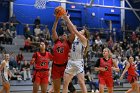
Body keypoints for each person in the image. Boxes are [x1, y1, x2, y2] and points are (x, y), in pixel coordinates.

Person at [61, 14, 90, 93]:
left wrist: (67, 19)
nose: (80, 31)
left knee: (81, 82)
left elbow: (74, 30)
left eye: (82, 31)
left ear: (84, 35)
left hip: (78, 62)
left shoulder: (84, 40)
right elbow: (72, 29)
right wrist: (67, 20)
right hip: (71, 61)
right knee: (65, 83)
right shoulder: (76, 37)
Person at [51, 15, 76, 93]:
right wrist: (56, 20)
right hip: (55, 67)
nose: (64, 35)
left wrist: (67, 20)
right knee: (56, 90)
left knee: (67, 86)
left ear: (67, 37)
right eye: (62, 34)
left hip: (65, 66)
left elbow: (73, 32)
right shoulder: (56, 41)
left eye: (65, 35)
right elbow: (53, 30)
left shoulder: (68, 43)